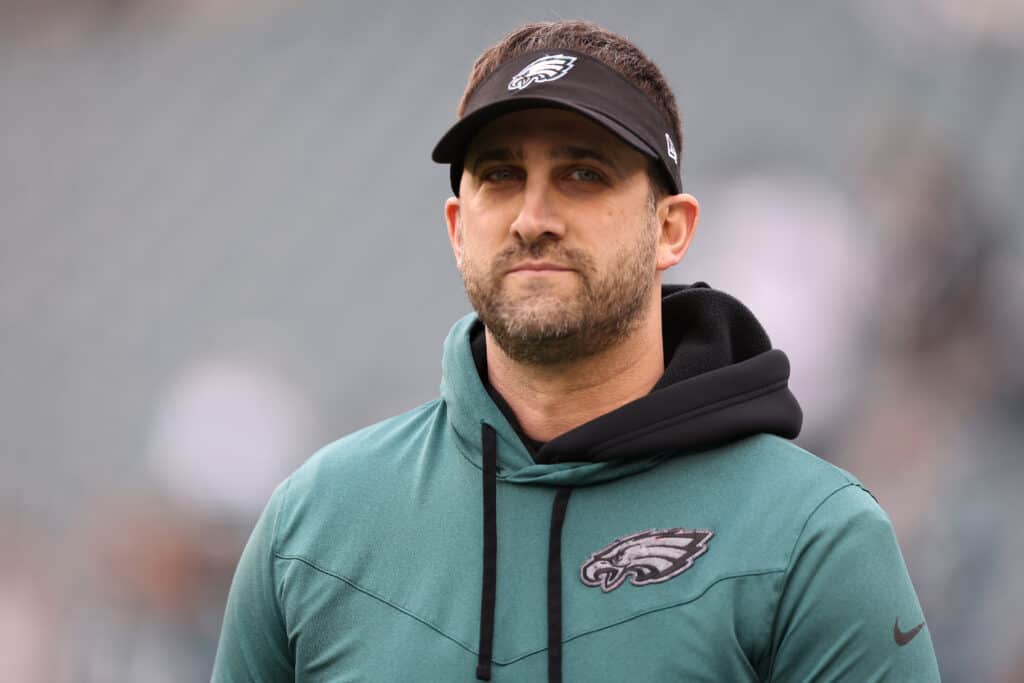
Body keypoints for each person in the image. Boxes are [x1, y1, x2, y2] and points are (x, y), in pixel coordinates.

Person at [212, 20, 940, 682]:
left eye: (583, 173)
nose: (534, 218)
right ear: (458, 226)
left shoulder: (811, 537)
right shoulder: (315, 527)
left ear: (671, 229)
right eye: (501, 175)